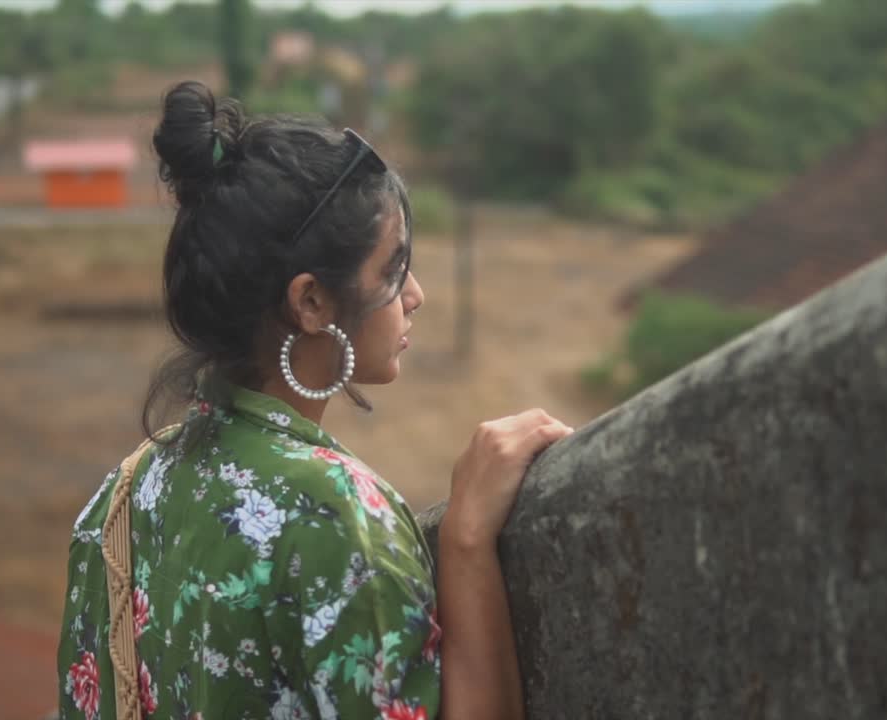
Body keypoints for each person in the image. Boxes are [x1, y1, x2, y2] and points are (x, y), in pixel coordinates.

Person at [56, 81, 573, 720]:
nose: (415, 295)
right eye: (391, 270)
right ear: (311, 303)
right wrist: (467, 537)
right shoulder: (335, 516)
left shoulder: (125, 493)